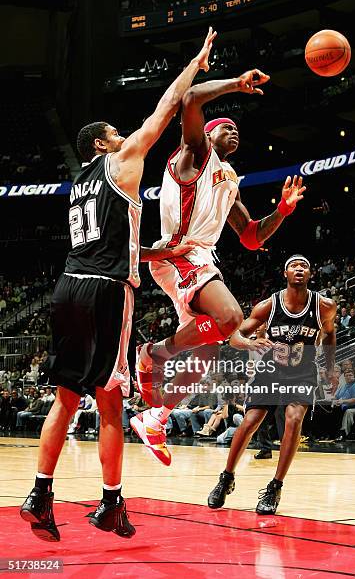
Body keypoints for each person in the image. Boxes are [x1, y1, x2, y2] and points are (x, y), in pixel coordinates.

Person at [19, 28, 217, 542]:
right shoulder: (122, 161)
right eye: (115, 132)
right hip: (107, 290)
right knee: (110, 400)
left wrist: (155, 251)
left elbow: (113, 237)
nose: (123, 134)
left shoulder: (77, 185)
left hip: (68, 283)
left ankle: (42, 494)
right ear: (103, 143)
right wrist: (194, 65)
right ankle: (109, 503)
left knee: (65, 396)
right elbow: (168, 107)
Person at [132, 72, 306, 466]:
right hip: (177, 253)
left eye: (237, 128)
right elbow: (191, 96)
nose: (234, 131)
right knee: (231, 317)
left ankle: (154, 418)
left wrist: (282, 210)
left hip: (198, 258)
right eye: (226, 126)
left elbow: (250, 236)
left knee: (207, 354)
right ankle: (152, 354)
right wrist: (236, 85)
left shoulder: (228, 179)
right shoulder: (194, 155)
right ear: (207, 135)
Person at [207, 255, 336, 514]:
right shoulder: (268, 306)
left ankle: (275, 486)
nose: (299, 269)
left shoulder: (324, 306)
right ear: (285, 273)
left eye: (305, 266)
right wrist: (251, 343)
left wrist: (330, 368)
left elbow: (330, 333)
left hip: (302, 373)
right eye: (293, 266)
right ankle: (226, 477)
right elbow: (235, 337)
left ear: (310, 274)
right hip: (271, 371)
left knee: (293, 418)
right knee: (250, 420)